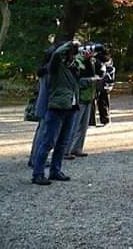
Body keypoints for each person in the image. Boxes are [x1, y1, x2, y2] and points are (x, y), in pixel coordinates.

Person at [32, 40, 81, 185]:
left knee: (62, 143)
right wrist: (70, 44)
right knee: (48, 142)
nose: (73, 56)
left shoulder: (72, 68)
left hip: (71, 107)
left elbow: (86, 67)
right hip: (57, 107)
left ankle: (55, 170)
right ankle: (38, 173)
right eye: (71, 54)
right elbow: (57, 55)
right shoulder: (55, 67)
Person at [65, 44, 99, 159]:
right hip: (80, 97)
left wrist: (90, 60)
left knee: (83, 125)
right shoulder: (77, 61)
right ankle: (66, 150)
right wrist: (90, 80)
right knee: (74, 125)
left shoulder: (91, 61)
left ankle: (77, 148)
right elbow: (78, 78)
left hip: (89, 96)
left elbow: (94, 72)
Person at [94, 48, 114, 126]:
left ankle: (92, 121)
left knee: (94, 102)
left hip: (97, 82)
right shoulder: (109, 60)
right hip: (105, 83)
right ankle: (105, 119)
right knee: (104, 101)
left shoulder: (95, 59)